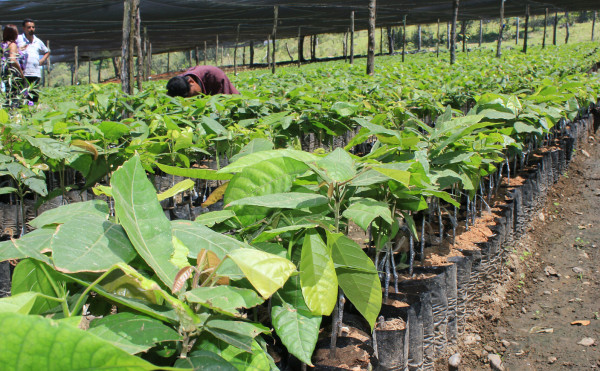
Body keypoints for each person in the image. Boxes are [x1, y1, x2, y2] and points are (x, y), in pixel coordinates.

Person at [17, 18, 50, 103]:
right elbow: (11, 49)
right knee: (24, 96)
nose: (31, 29)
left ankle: (33, 112)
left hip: (35, 73)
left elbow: (47, 51)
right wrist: (19, 50)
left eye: (33, 27)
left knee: (34, 96)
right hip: (23, 73)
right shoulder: (19, 39)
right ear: (24, 28)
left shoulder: (37, 41)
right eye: (29, 27)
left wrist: (42, 60)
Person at [166, 65, 239, 97]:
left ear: (191, 81)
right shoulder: (179, 82)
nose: (191, 100)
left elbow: (228, 100)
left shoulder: (215, 76)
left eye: (191, 95)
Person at [1, 24, 27, 109]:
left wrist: (19, 50)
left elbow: (7, 55)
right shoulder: (12, 44)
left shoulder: (3, 44)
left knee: (9, 94)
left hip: (5, 72)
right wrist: (21, 73)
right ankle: (14, 112)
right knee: (16, 95)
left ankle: (8, 111)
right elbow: (12, 59)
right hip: (13, 73)